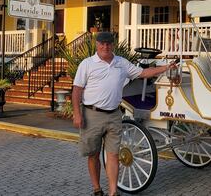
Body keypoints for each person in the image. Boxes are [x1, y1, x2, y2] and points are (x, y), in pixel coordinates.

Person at [71, 32, 175, 196]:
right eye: (102, 44)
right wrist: (77, 113)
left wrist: (166, 67)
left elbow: (143, 73)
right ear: (96, 45)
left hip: (114, 115)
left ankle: (113, 192)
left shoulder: (122, 63)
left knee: (113, 154)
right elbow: (77, 90)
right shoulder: (87, 64)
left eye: (108, 44)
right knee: (93, 155)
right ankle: (97, 189)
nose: (105, 47)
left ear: (113, 45)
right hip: (92, 115)